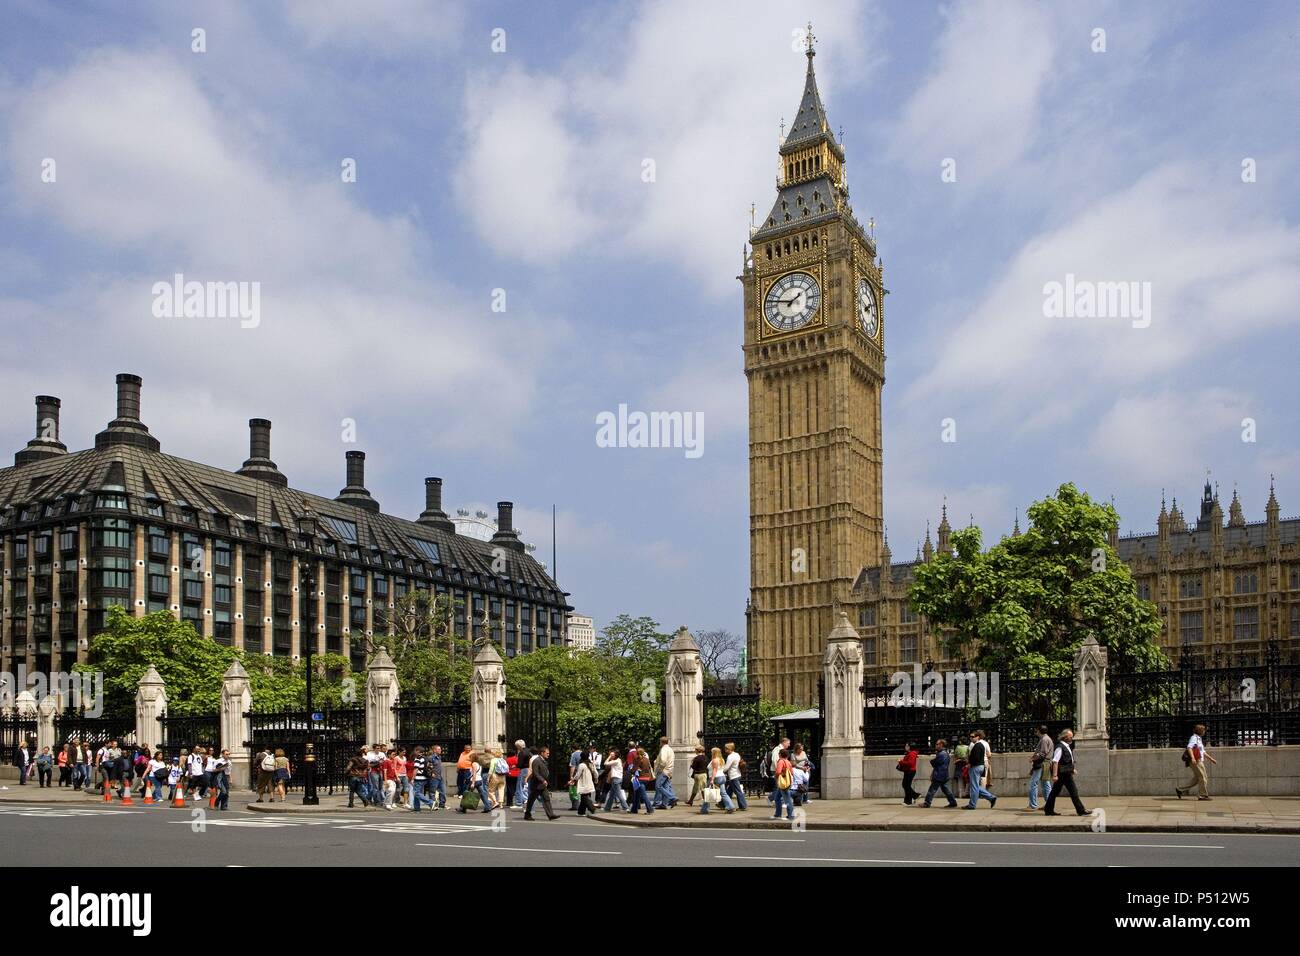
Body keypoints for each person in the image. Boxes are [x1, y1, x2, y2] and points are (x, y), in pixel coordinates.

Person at [1043, 728, 1089, 816]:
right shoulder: (1060, 747)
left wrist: (1072, 769)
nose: (1072, 738)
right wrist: (1055, 775)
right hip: (1063, 774)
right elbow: (1055, 761)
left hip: (1066, 772)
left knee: (1054, 792)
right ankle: (1081, 810)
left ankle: (1048, 809)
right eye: (1070, 736)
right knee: (1073, 792)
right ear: (1065, 737)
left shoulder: (1066, 746)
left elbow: (1066, 760)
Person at [1176, 723, 1217, 801]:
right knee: (1203, 777)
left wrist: (1211, 759)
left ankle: (1180, 790)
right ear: (1200, 731)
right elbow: (1189, 747)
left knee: (1197, 779)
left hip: (1199, 760)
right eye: (1203, 730)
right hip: (1196, 761)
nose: (1204, 731)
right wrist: (1193, 758)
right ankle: (1202, 795)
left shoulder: (1199, 739)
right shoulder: (1194, 738)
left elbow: (1202, 752)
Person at [962, 730, 997, 810]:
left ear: (978, 737)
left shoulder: (977, 746)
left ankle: (972, 804)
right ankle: (991, 797)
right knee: (975, 786)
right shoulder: (980, 745)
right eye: (970, 737)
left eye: (973, 736)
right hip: (980, 766)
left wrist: (970, 764)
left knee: (974, 787)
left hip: (975, 767)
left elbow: (976, 758)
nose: (971, 738)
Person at [523, 745, 558, 820]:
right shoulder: (536, 761)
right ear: (542, 753)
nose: (548, 755)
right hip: (536, 784)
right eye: (547, 753)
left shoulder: (543, 761)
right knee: (531, 800)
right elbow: (536, 773)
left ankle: (550, 815)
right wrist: (543, 780)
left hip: (542, 784)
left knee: (546, 798)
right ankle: (527, 814)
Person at [922, 739, 959, 808]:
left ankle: (927, 803)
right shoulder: (943, 753)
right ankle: (953, 802)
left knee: (932, 789)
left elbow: (935, 762)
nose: (935, 745)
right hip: (943, 774)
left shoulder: (942, 754)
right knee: (946, 789)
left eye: (937, 744)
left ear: (941, 745)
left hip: (939, 775)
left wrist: (932, 761)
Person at [1026, 726, 1054, 811]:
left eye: (1036, 730)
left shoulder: (1044, 740)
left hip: (1042, 764)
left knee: (1033, 784)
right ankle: (1049, 805)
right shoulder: (1046, 739)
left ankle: (1033, 805)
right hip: (1046, 763)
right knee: (1046, 784)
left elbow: (1042, 753)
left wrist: (1032, 759)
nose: (1036, 732)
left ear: (1039, 731)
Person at [700, 746, 734, 815]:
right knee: (723, 793)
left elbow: (715, 770)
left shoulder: (715, 760)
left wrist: (712, 779)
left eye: (712, 752)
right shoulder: (721, 759)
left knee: (707, 793)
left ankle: (704, 809)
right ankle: (730, 806)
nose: (711, 753)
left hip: (716, 778)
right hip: (722, 777)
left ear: (714, 753)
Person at [628, 748, 655, 815]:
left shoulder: (638, 759)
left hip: (640, 778)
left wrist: (630, 771)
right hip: (647, 778)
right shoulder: (647, 759)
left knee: (643, 795)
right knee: (637, 794)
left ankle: (650, 809)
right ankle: (634, 809)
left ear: (637, 753)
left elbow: (634, 769)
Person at [652, 736, 676, 809]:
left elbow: (663, 761)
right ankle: (664, 804)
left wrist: (659, 769)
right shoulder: (670, 749)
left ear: (661, 742)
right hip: (669, 770)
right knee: (665, 786)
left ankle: (672, 797)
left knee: (658, 786)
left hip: (663, 771)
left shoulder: (664, 749)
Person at [723, 742, 748, 811]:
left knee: (738, 791)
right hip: (737, 774)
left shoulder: (730, 757)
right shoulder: (736, 754)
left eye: (726, 748)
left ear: (729, 749)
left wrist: (721, 771)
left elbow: (726, 767)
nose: (725, 750)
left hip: (733, 776)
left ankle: (743, 806)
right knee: (729, 791)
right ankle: (722, 803)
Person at [771, 748, 795, 820]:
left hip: (782, 783)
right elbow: (792, 773)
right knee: (777, 798)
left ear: (780, 755)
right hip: (787, 782)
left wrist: (776, 777)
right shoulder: (788, 762)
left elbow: (778, 772)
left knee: (787, 800)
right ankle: (777, 814)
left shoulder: (781, 761)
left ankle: (791, 815)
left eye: (779, 754)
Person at [602, 746, 629, 811]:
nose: (611, 756)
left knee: (619, 794)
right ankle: (607, 808)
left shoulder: (616, 761)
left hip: (616, 779)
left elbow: (605, 763)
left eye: (612, 755)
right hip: (618, 779)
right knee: (611, 795)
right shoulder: (619, 760)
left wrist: (609, 757)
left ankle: (626, 807)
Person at [410, 747, 434, 812]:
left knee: (416, 793)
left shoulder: (418, 758)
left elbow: (416, 769)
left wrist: (412, 779)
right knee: (418, 793)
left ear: (418, 751)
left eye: (415, 750)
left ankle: (430, 802)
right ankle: (417, 808)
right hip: (424, 778)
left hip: (419, 778)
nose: (414, 752)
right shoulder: (425, 758)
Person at [574, 751, 598, 816]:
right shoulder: (591, 764)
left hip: (583, 784)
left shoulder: (581, 765)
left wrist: (573, 779)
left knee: (585, 798)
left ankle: (592, 808)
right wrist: (596, 780)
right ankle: (581, 812)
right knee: (584, 798)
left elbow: (577, 775)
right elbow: (596, 773)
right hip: (590, 783)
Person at [899, 741, 920, 805]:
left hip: (910, 771)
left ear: (910, 747)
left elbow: (910, 763)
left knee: (906, 785)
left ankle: (915, 796)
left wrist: (901, 762)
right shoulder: (909, 753)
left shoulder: (912, 754)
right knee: (906, 785)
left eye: (907, 746)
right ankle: (908, 800)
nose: (905, 747)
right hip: (908, 771)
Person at [511, 740, 530, 808]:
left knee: (519, 786)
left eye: (517, 746)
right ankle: (526, 799)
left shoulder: (521, 753)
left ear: (519, 746)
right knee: (526, 785)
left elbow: (520, 764)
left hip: (523, 770)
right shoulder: (529, 751)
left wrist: (515, 765)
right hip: (529, 769)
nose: (516, 748)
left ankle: (519, 802)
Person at [428, 745, 447, 809]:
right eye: (439, 749)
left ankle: (442, 804)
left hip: (439, 776)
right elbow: (428, 767)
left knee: (443, 791)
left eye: (440, 749)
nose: (440, 750)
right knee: (432, 792)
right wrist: (431, 773)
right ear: (434, 750)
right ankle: (432, 805)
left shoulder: (439, 757)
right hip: (434, 777)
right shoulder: (431, 758)